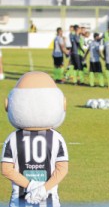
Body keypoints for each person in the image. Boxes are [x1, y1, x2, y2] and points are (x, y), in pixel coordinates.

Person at [1, 72, 68, 207]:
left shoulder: (12, 138)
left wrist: (30, 185)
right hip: (50, 200)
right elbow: (62, 169)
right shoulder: (57, 138)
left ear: (8, 105)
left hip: (19, 200)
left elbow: (6, 169)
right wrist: (44, 188)